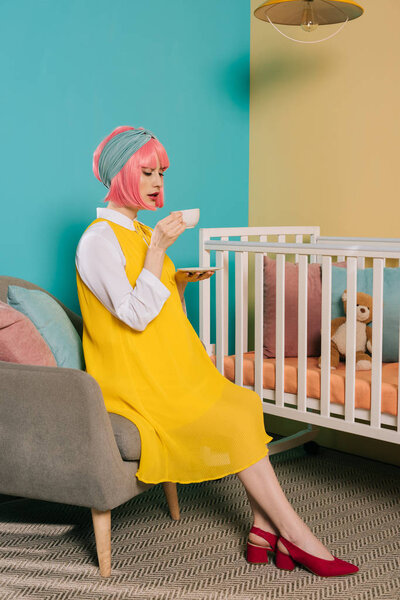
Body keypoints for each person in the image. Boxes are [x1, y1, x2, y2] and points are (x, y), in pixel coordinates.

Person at [75, 125, 358, 577]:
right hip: (135, 379)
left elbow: (161, 307)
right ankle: (297, 537)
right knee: (229, 416)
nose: (157, 184)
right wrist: (158, 252)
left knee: (243, 402)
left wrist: (177, 288)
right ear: (121, 174)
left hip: (167, 366)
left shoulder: (139, 231)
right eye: (147, 172)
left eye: (161, 173)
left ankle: (263, 530)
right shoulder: (97, 240)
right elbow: (133, 316)